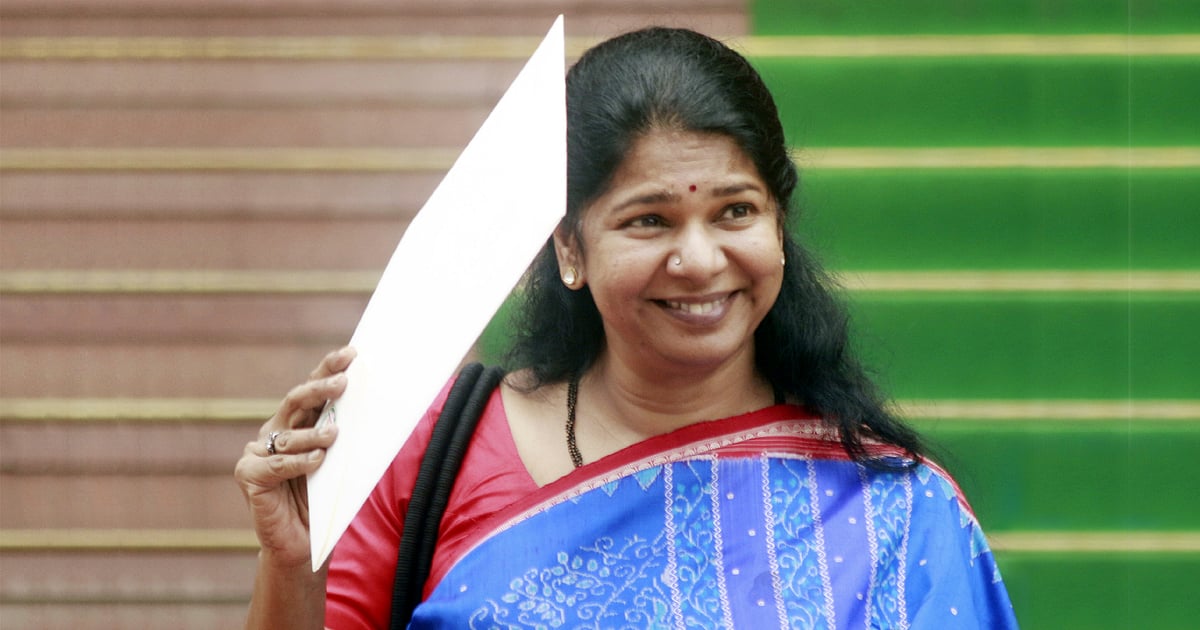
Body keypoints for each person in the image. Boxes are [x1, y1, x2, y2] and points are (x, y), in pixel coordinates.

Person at [235, 27, 1019, 629]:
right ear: (570, 249)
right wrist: (293, 563)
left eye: (736, 211)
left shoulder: (890, 511)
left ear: (779, 226)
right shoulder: (437, 449)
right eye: (649, 220)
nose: (699, 260)